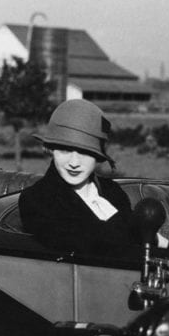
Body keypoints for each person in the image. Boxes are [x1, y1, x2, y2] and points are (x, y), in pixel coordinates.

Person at [19, 98, 146, 254]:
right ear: (51, 150)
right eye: (65, 150)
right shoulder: (37, 200)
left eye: (85, 152)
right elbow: (85, 247)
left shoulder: (113, 191)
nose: (74, 162)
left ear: (97, 157)